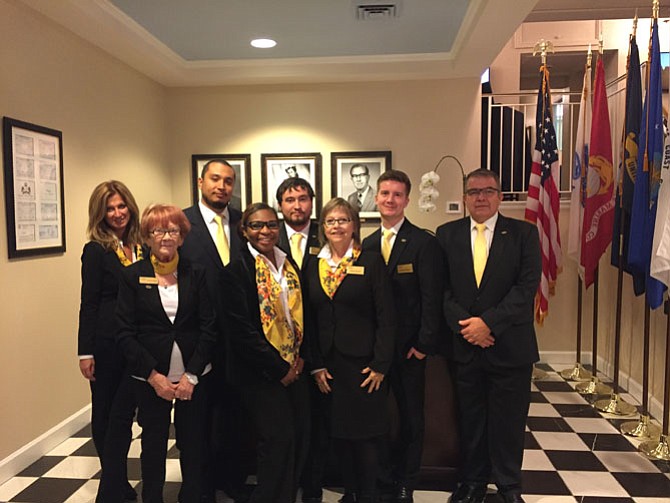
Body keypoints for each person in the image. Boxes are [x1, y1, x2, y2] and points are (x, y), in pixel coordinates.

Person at [96, 204, 217, 503]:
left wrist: (192, 375)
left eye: (173, 230)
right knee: (153, 444)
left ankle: (192, 495)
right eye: (158, 230)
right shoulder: (132, 276)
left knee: (193, 442)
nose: (166, 237)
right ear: (148, 236)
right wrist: (154, 376)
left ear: (182, 236)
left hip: (194, 376)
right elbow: (124, 332)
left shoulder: (197, 273)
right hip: (150, 377)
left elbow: (209, 327)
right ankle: (153, 497)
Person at [435, 169, 541, 503]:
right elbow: (441, 290)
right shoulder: (446, 234)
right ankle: (473, 483)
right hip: (465, 346)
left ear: (500, 196)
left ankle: (508, 485)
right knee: (471, 420)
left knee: (508, 421)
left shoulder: (524, 233)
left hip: (510, 346)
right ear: (465, 197)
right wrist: (469, 326)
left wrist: (488, 324)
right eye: (474, 192)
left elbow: (526, 289)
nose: (481, 197)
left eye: (488, 191)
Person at [361, 170, 444, 503]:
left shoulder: (424, 243)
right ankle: (381, 477)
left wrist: (424, 345)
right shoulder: (365, 244)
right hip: (375, 353)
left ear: (407, 200)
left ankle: (406, 482)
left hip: (410, 351)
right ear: (376, 198)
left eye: (397, 194)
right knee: (376, 419)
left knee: (411, 419)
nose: (390, 200)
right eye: (384, 193)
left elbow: (432, 298)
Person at [307, 198, 395, 503]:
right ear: (323, 227)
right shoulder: (314, 263)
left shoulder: (370, 261)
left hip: (364, 365)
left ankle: (368, 494)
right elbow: (309, 318)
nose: (336, 226)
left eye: (343, 220)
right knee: (339, 434)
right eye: (330, 221)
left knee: (366, 435)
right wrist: (315, 365)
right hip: (329, 367)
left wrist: (381, 364)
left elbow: (387, 317)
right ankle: (351, 491)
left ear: (354, 225)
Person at [221, 203, 310, 503]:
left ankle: (284, 496)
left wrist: (298, 359)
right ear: (244, 230)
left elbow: (301, 314)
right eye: (257, 226)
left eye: (271, 225)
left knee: (295, 437)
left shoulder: (288, 263)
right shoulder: (236, 271)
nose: (265, 231)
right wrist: (279, 369)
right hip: (259, 372)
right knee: (276, 440)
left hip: (294, 365)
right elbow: (241, 331)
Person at [180, 158, 248, 502]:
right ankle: (197, 487)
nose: (222, 186)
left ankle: (232, 479)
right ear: (200, 181)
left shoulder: (242, 223)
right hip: (197, 339)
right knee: (197, 420)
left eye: (228, 181)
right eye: (215, 179)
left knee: (234, 414)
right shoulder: (182, 223)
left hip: (237, 340)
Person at [77, 180, 142, 501]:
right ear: (100, 214)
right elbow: (88, 303)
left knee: (124, 415)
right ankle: (113, 485)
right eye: (110, 209)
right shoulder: (95, 250)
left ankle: (115, 482)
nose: (118, 213)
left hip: (136, 343)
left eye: (121, 206)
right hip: (106, 345)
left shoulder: (140, 245)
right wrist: (84, 352)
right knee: (105, 415)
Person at [275, 177, 324, 502]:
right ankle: (286, 483)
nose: (297, 205)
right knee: (284, 423)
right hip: (280, 345)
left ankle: (314, 484)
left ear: (312, 202)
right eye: (290, 199)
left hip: (321, 341)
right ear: (281, 205)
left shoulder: (328, 230)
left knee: (317, 422)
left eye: (303, 198)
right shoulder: (268, 233)